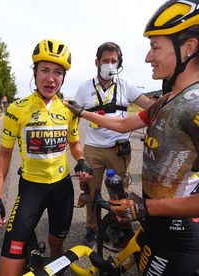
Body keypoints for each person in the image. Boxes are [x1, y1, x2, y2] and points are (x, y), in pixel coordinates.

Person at [64, 0, 199, 274]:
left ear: (188, 48)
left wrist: (147, 208)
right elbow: (125, 123)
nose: (147, 58)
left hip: (178, 236)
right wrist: (83, 113)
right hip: (159, 225)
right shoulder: (170, 98)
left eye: (155, 47)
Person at [0, 38, 93, 276]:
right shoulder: (17, 109)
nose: (51, 78)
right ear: (34, 72)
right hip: (31, 189)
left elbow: (74, 143)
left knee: (57, 244)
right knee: (10, 262)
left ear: (64, 77)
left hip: (62, 189)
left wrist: (81, 159)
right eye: (44, 70)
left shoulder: (69, 110)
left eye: (58, 72)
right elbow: (5, 154)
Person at [74, 41, 154, 247]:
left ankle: (120, 227)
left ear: (119, 63)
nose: (110, 65)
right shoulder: (84, 88)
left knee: (119, 194)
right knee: (91, 193)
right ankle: (92, 228)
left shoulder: (126, 84)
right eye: (105, 61)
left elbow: (150, 106)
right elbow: (72, 118)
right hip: (93, 150)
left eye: (114, 61)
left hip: (119, 150)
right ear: (96, 62)